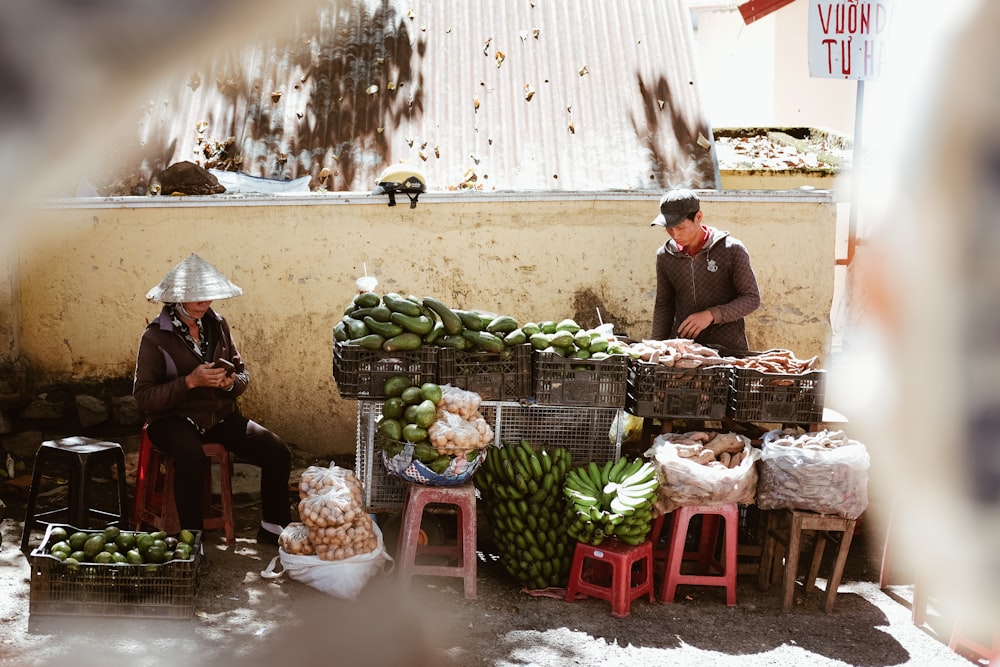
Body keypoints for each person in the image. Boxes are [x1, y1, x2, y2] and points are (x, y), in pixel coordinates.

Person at [133, 253, 291, 545]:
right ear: (176, 298)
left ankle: (273, 530)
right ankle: (192, 541)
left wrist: (230, 384)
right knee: (191, 457)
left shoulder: (218, 325)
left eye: (208, 295)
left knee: (277, 451)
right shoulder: (155, 337)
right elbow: (144, 397)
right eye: (196, 296)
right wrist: (189, 382)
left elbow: (242, 374)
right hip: (171, 419)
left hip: (218, 416)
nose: (204, 302)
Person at [649, 189, 761, 351]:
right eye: (668, 228)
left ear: (698, 217)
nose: (674, 234)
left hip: (728, 349)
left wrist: (711, 315)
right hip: (683, 350)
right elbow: (664, 305)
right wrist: (656, 347)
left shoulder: (731, 249)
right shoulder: (665, 256)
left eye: (680, 228)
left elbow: (751, 298)